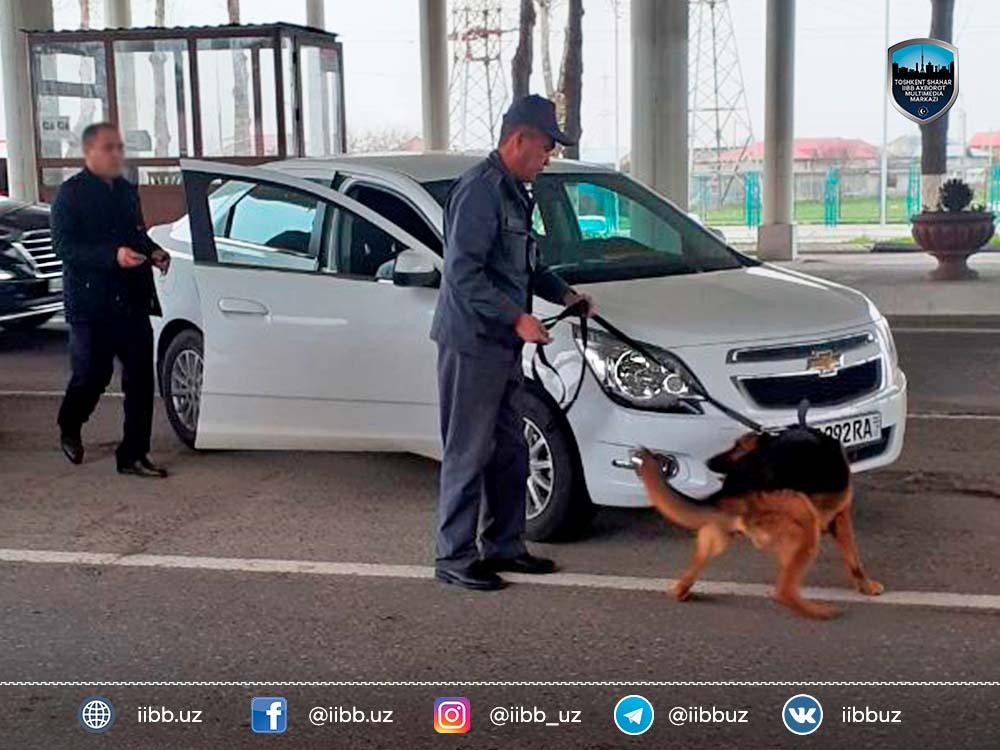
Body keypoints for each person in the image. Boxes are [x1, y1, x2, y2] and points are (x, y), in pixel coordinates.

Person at [430, 95, 594, 591]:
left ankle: (503, 545)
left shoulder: (514, 192)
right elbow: (463, 274)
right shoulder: (479, 191)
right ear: (519, 139)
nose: (547, 159)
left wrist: (564, 293)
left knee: (510, 452)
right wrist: (518, 317)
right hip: (472, 343)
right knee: (468, 451)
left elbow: (524, 263)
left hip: (501, 345)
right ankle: (454, 557)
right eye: (545, 148)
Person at [52, 122, 171, 477]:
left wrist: (153, 252)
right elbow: (64, 248)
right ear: (89, 152)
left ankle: (133, 454)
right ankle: (70, 424)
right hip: (91, 305)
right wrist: (111, 257)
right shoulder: (70, 195)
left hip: (131, 298)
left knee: (139, 378)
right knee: (92, 374)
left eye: (119, 147)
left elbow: (134, 234)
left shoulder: (125, 190)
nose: (117, 154)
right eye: (109, 148)